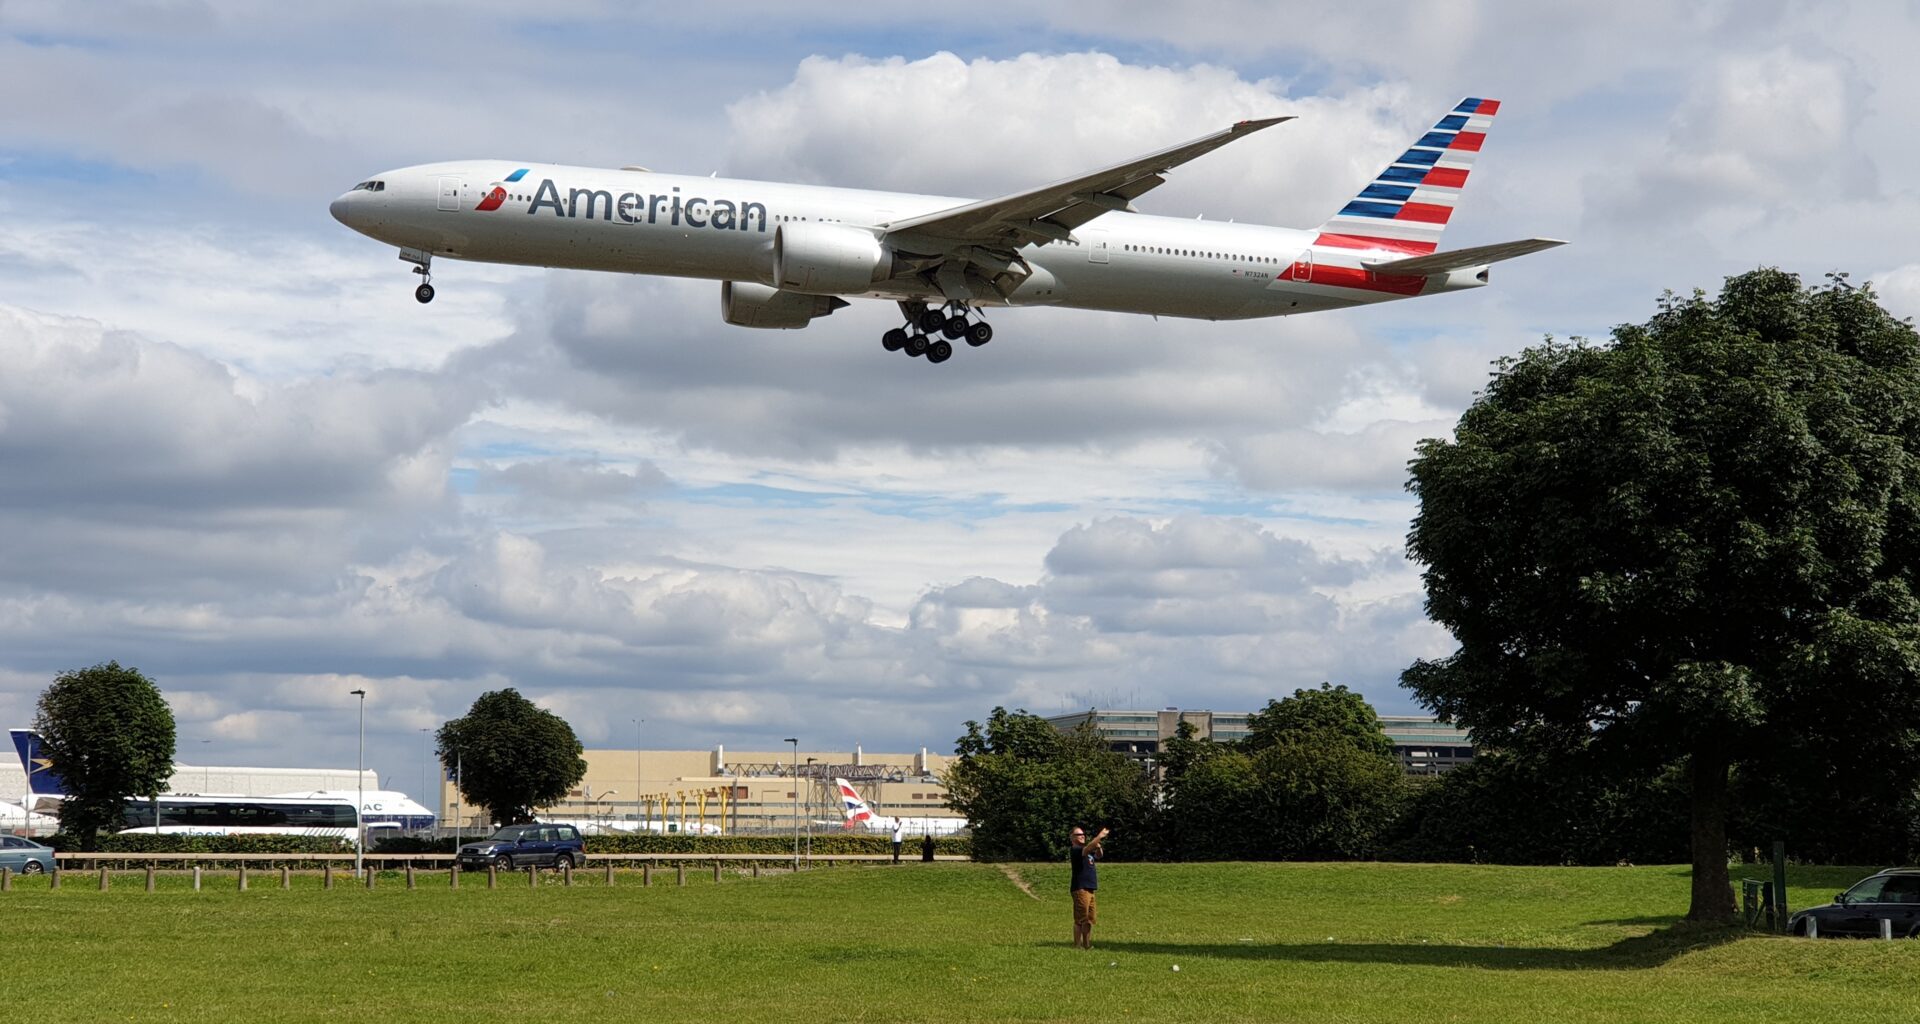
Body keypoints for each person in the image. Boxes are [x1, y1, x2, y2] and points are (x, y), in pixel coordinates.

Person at [1069, 825, 1108, 949]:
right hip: (1080, 888)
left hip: (1090, 889)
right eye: (1078, 834)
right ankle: (1077, 945)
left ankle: (1086, 945)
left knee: (1089, 919)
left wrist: (1098, 846)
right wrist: (1099, 837)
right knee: (1081, 919)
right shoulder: (1076, 850)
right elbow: (1088, 849)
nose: (1082, 836)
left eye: (1083, 834)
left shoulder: (1087, 852)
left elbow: (1099, 855)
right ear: (1072, 838)